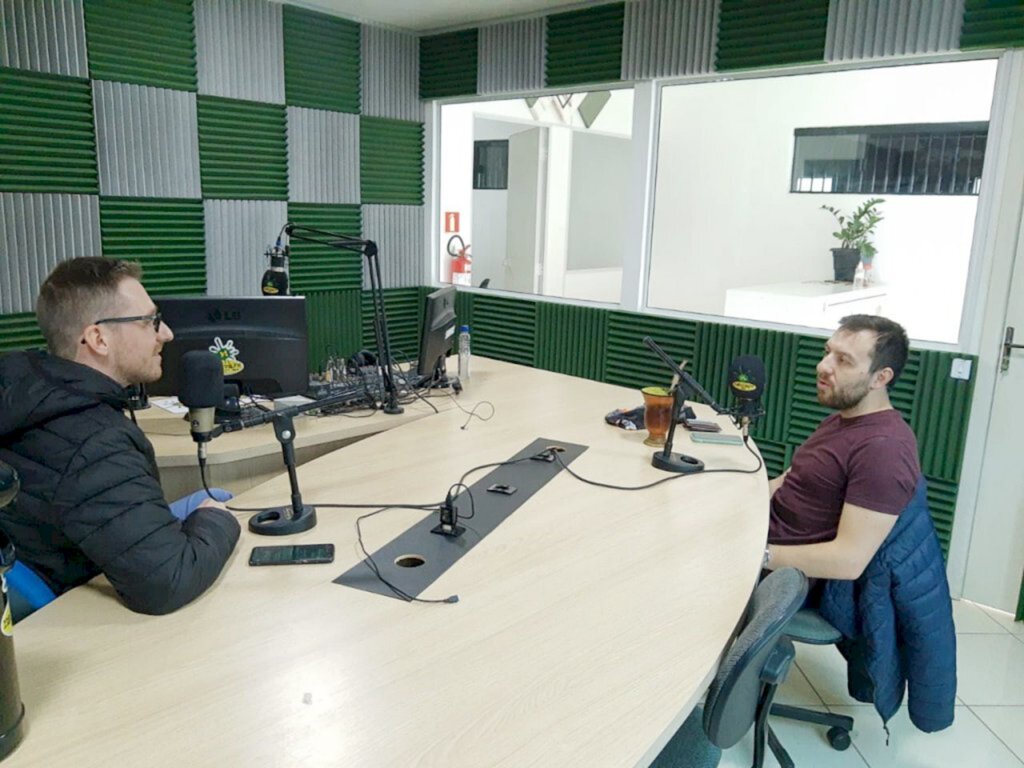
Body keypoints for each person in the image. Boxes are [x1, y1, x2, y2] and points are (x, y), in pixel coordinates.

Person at [0, 257, 240, 616]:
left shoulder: (29, 388)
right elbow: (168, 581)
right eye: (150, 322)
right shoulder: (92, 442)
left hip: (58, 555)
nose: (166, 334)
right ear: (98, 338)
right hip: (70, 613)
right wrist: (218, 519)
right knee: (221, 510)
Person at [764, 314, 920, 580]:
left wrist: (755, 554)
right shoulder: (841, 419)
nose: (822, 366)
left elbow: (848, 561)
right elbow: (787, 480)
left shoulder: (884, 450)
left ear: (880, 378)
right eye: (827, 352)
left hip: (777, 573)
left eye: (843, 360)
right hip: (759, 538)